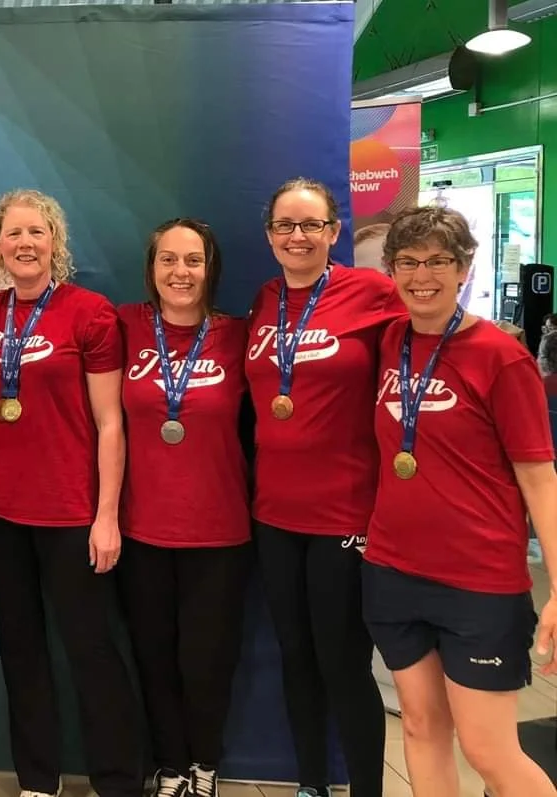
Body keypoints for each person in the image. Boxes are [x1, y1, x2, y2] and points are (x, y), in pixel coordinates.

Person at [362, 204, 557, 797]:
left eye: (439, 261)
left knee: (488, 749)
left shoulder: (502, 357)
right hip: (393, 571)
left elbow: (540, 479)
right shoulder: (389, 340)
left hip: (479, 585)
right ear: (392, 270)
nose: (423, 275)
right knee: (421, 728)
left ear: (465, 266)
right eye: (409, 262)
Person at [0, 189, 143, 797]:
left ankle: (118, 780)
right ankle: (38, 780)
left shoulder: (89, 313)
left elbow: (112, 422)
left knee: (91, 648)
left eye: (36, 232)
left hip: (72, 511)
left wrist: (107, 515)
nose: (25, 243)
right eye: (13, 234)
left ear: (55, 243)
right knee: (20, 648)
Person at [244, 178, 403, 797]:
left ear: (335, 232)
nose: (298, 236)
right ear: (270, 235)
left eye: (311, 225)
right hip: (275, 514)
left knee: (343, 663)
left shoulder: (372, 292)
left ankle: (365, 788)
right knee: (296, 659)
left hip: (346, 514)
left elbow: (427, 336)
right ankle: (310, 783)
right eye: (286, 225)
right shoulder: (264, 299)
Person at [116, 218, 251, 797]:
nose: (180, 272)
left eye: (193, 260)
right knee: (153, 659)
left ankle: (205, 768)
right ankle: (170, 766)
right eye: (168, 260)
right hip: (140, 528)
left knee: (206, 664)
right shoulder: (121, 326)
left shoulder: (241, 335)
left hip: (219, 531)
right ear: (151, 269)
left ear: (210, 269)